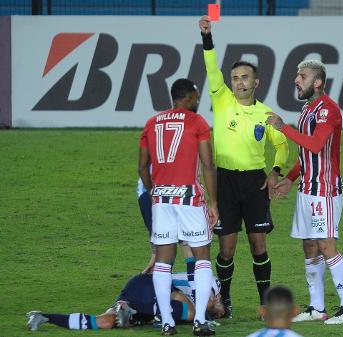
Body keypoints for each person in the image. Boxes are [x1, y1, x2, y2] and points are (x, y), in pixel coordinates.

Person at [198, 16, 289, 317]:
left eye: (244, 77)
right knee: (226, 248)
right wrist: (207, 39)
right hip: (223, 181)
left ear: (256, 82)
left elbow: (282, 145)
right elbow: (212, 68)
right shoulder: (221, 99)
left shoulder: (266, 114)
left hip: (254, 183)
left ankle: (265, 304)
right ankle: (224, 301)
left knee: (258, 242)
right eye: (235, 77)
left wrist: (275, 171)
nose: (239, 82)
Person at [265, 60, 343, 325]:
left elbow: (317, 145)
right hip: (307, 188)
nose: (297, 80)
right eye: (297, 75)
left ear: (317, 82)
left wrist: (283, 128)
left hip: (325, 190)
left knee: (326, 245)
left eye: (302, 76)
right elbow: (305, 152)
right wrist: (290, 179)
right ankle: (317, 308)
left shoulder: (328, 110)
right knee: (309, 246)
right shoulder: (307, 110)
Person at [139, 78, 218, 336]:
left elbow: (142, 167)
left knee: (163, 263)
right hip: (189, 199)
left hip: (161, 200)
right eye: (197, 96)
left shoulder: (151, 123)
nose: (198, 100)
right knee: (202, 257)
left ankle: (166, 323)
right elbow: (208, 165)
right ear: (190, 97)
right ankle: (200, 321)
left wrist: (155, 192)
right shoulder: (197, 123)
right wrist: (213, 202)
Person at [26, 272, 224, 331]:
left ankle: (43, 317)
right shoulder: (211, 284)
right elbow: (203, 304)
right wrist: (207, 312)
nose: (221, 307)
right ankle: (134, 313)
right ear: (215, 296)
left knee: (105, 322)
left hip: (137, 289)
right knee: (191, 313)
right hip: (154, 286)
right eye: (220, 303)